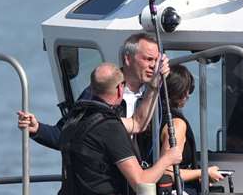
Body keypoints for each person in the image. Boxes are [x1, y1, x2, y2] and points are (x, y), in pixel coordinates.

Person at [58, 62, 182, 195]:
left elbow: (138, 123)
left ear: (92, 89)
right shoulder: (110, 127)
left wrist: (154, 87)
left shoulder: (75, 121)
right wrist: (168, 158)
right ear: (119, 89)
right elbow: (141, 183)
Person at [18, 32, 167, 150]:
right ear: (127, 59)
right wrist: (37, 129)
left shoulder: (157, 93)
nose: (154, 66)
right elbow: (67, 134)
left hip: (144, 181)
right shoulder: (98, 91)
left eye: (156, 60)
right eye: (148, 59)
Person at [153, 67, 225, 195]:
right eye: (189, 90)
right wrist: (204, 172)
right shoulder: (177, 124)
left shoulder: (152, 116)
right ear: (183, 92)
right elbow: (168, 172)